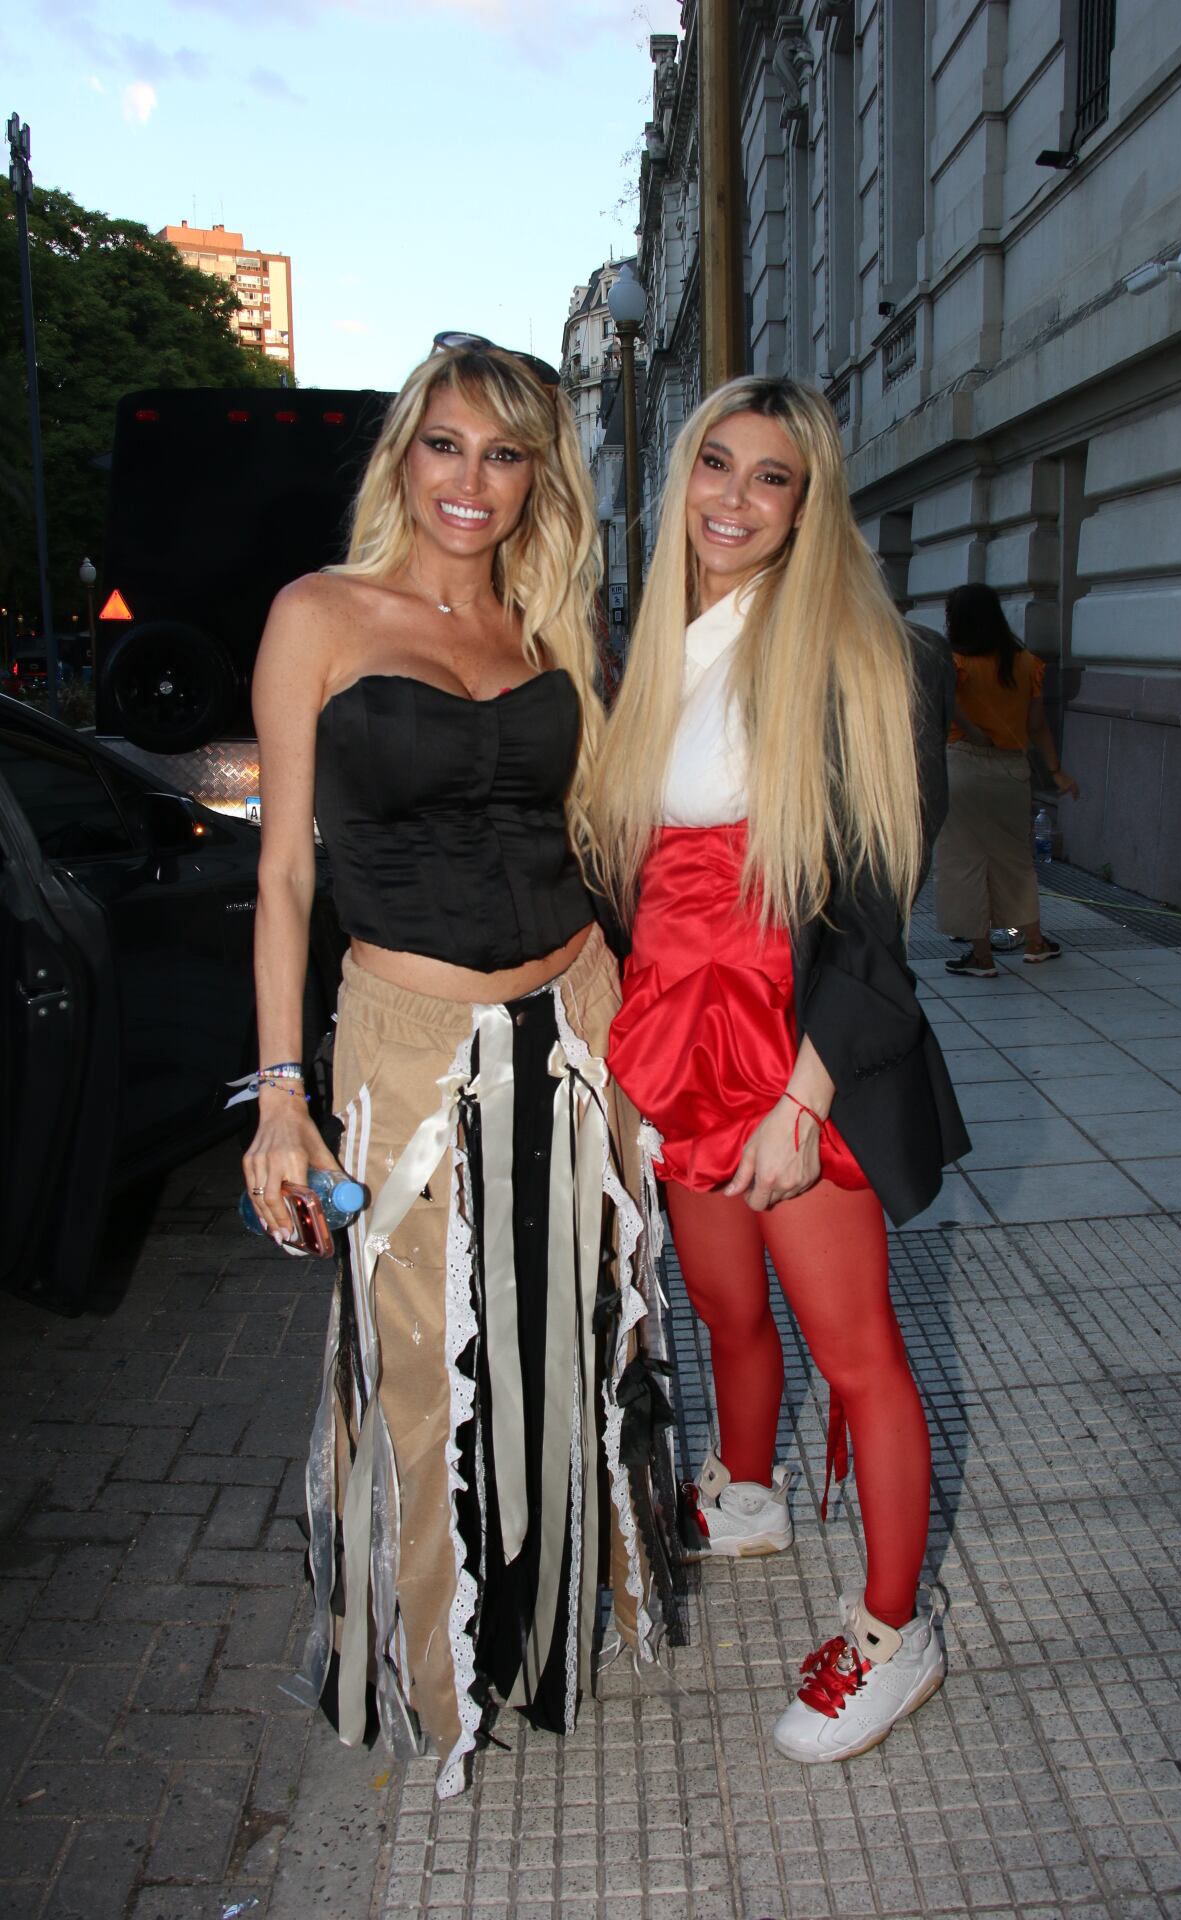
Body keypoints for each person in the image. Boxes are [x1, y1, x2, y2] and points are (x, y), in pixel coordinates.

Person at [241, 339, 675, 1801]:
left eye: (504, 453)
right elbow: (285, 875)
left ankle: (547, 1639)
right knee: (422, 1363)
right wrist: (281, 1092)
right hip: (408, 1047)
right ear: (403, 458)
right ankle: (432, 1669)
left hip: (576, 1023)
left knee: (570, 1332)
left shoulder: (552, 627)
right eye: (445, 445)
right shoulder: (317, 615)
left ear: (538, 477)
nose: (470, 481)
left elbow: (598, 838)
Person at [592, 376, 970, 1767]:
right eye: (717, 464)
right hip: (679, 1033)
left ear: (811, 504)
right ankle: (743, 1495)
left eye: (772, 477)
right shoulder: (647, 652)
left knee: (855, 1352)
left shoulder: (871, 657)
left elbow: (876, 918)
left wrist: (806, 1100)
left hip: (794, 1046)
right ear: (682, 477)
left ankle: (893, 1635)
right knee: (718, 1304)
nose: (735, 500)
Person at [933, 583, 1080, 977]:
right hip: (1011, 770)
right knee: (1016, 860)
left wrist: (970, 729)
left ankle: (982, 957)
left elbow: (941, 705)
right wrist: (1056, 771)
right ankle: (1034, 943)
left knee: (963, 861)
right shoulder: (1026, 663)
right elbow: (1038, 726)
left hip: (961, 768)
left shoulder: (955, 662)